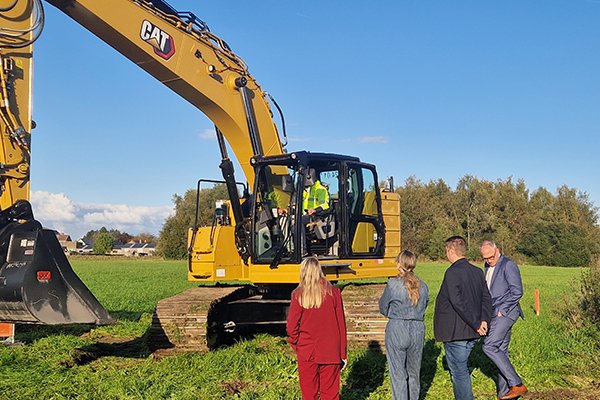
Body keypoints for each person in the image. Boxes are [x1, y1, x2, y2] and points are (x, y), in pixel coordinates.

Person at [434, 235, 492, 400]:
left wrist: (476, 323)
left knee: (459, 373)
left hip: (456, 332)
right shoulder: (477, 271)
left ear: (451, 250)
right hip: (473, 333)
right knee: (462, 369)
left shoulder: (452, 272)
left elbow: (457, 302)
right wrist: (484, 321)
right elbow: (486, 298)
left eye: (446, 250)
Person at [286, 256, 347, 399]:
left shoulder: (298, 295)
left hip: (307, 351)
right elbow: (341, 326)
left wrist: (297, 345)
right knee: (331, 394)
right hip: (331, 351)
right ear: (320, 271)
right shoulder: (334, 293)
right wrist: (343, 353)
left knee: (308, 394)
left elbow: (291, 327)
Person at [480, 240, 527, 400]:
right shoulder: (487, 266)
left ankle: (517, 384)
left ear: (497, 251)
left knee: (489, 346)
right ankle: (505, 394)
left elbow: (517, 291)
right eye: (485, 258)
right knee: (501, 351)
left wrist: (502, 309)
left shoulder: (508, 265)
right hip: (493, 312)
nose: (488, 261)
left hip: (506, 313)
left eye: (491, 257)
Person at [379, 250, 429, 400]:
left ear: (399, 264)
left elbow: (383, 307)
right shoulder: (423, 286)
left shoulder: (393, 284)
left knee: (398, 374)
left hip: (397, 328)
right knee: (414, 374)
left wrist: (394, 314)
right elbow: (425, 305)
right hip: (417, 329)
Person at [300, 168, 330, 254]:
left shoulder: (320, 189)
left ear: (308, 177)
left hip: (316, 216)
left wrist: (314, 210)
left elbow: (325, 205)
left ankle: (302, 249)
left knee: (298, 222)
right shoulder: (304, 191)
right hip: (305, 215)